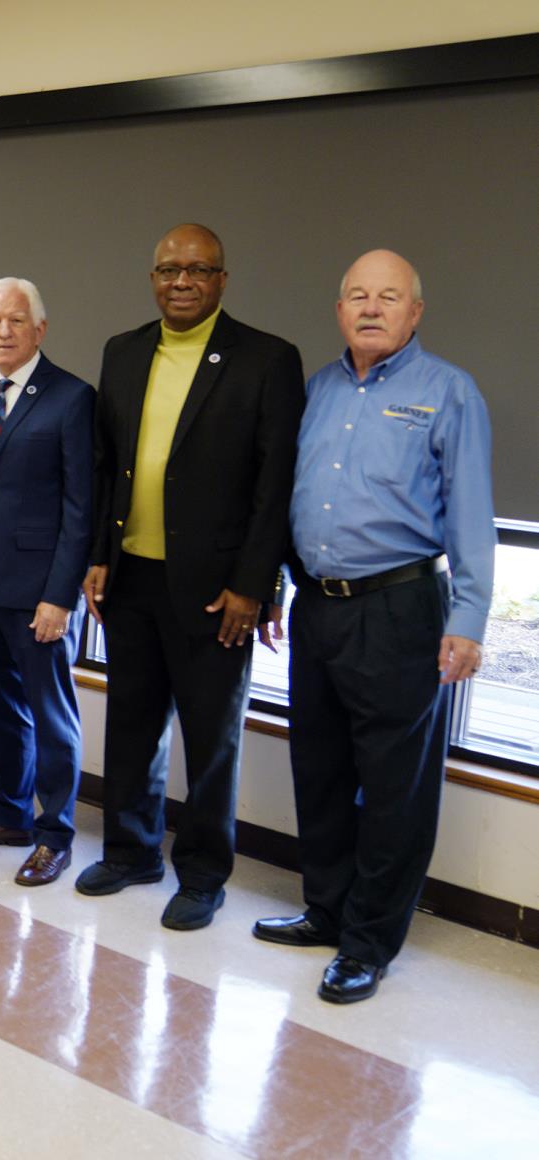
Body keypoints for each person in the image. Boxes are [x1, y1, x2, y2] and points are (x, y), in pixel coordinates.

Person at [255, 250, 495, 1004]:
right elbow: (284, 497)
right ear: (338, 311)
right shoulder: (319, 390)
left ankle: (368, 943)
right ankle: (326, 912)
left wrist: (469, 619)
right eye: (356, 295)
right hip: (317, 605)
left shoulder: (448, 392)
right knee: (319, 769)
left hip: (400, 609)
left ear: (414, 312)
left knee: (395, 786)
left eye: (388, 296)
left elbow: (471, 515)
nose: (370, 307)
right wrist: (271, 584)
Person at [78, 224, 303, 930]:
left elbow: (276, 486)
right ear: (152, 277)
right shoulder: (122, 351)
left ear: (222, 281)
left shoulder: (266, 360)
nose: (181, 281)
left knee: (212, 739)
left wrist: (255, 585)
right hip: (131, 578)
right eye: (169, 269)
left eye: (198, 270)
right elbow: (103, 463)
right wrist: (96, 556)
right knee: (133, 724)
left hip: (217, 591)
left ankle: (203, 875)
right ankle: (131, 852)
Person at [0, 278, 94, 887]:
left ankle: (55, 833)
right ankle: (10, 814)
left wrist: (60, 596)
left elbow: (81, 507)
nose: (3, 332)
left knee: (51, 715)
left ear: (40, 328)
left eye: (15, 320)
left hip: (40, 594)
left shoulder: (71, 397)